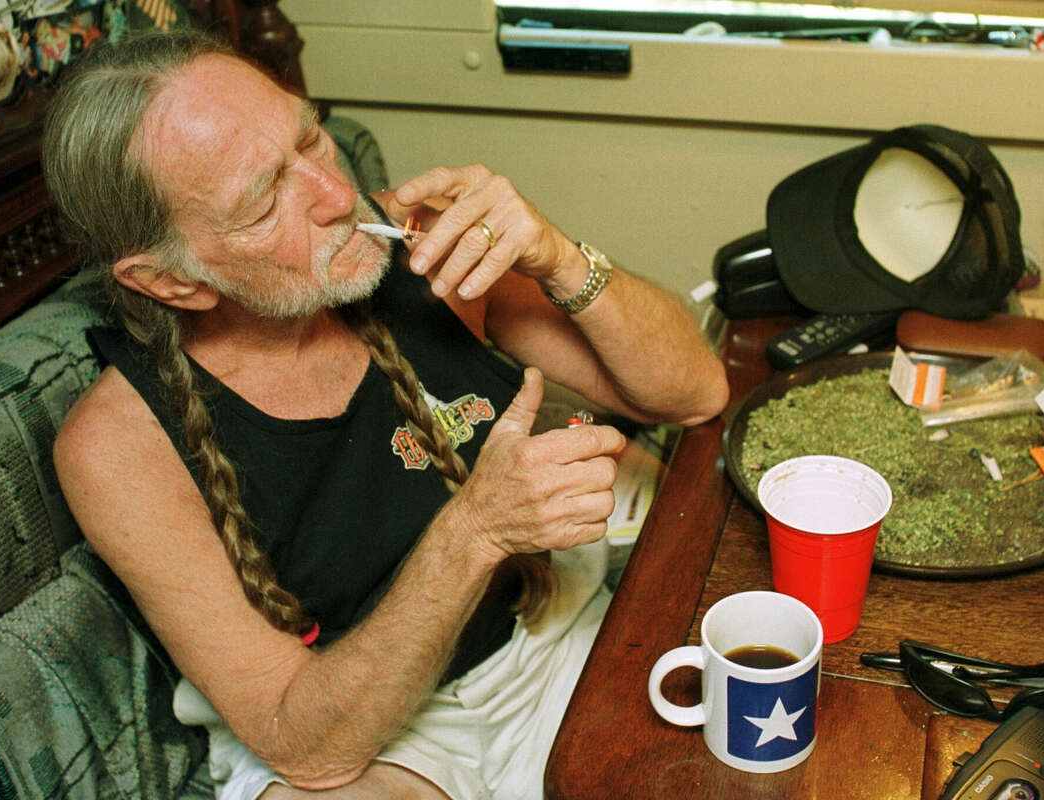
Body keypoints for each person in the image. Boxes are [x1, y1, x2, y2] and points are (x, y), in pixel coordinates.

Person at [43, 28, 729, 800]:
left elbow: (695, 391)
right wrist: (476, 531)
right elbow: (307, 747)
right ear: (172, 282)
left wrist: (559, 255)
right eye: (267, 199)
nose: (339, 197)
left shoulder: (419, 250)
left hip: (550, 632)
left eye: (311, 137)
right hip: (374, 739)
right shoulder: (119, 444)